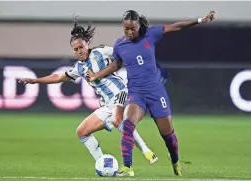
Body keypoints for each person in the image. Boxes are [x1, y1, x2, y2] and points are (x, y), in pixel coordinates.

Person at [86, 10, 215, 177]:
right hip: (136, 93)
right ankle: (127, 167)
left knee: (169, 137)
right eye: (126, 29)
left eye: (133, 28)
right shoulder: (119, 45)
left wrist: (200, 20)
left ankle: (175, 160)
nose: (130, 32)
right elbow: (116, 65)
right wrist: (97, 75)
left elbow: (176, 26)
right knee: (127, 125)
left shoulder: (151, 34)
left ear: (139, 25)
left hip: (156, 93)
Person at [18, 17, 159, 168]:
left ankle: (147, 151)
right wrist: (35, 80)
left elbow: (122, 54)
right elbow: (58, 77)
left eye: (81, 47)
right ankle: (104, 164)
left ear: (87, 44)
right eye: (76, 49)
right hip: (106, 104)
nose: (79, 51)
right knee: (82, 132)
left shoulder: (101, 52)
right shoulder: (79, 67)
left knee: (117, 120)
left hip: (120, 93)